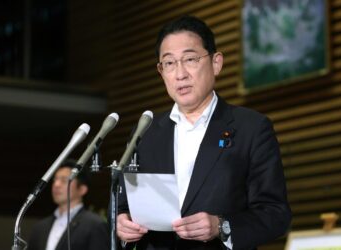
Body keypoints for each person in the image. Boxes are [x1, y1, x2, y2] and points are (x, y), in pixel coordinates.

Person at [117, 15, 291, 250]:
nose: (180, 74)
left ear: (216, 63)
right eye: (169, 63)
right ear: (161, 71)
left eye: (190, 59)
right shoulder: (146, 133)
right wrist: (122, 222)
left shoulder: (251, 128)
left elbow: (275, 214)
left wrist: (221, 226)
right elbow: (123, 205)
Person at [27, 159, 109, 250]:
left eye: (64, 180)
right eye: (55, 180)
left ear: (82, 189)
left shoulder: (95, 225)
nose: (56, 184)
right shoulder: (39, 228)